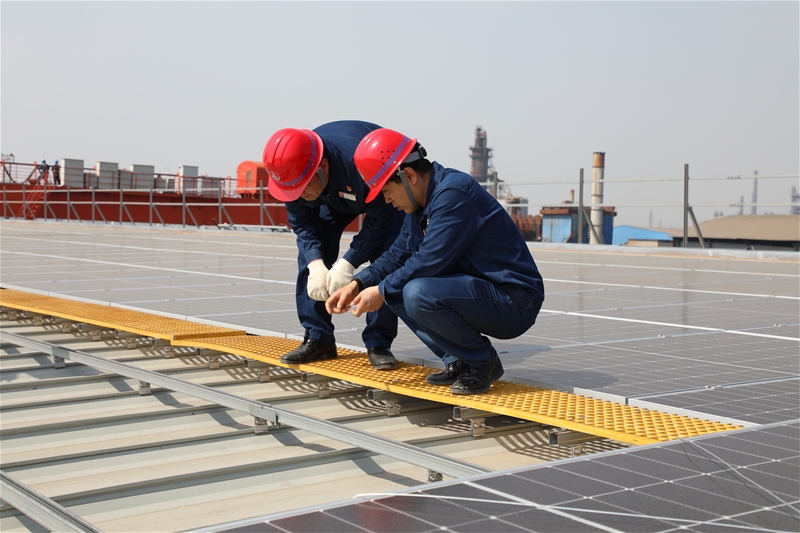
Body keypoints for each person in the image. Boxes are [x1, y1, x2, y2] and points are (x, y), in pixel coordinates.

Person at [326, 128, 545, 395]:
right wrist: (359, 283)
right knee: (397, 288)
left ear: (409, 176)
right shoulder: (420, 206)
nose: (386, 200)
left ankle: (482, 362)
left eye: (386, 190)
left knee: (414, 291)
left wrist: (381, 291)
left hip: (514, 300)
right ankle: (459, 360)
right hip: (482, 292)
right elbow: (398, 255)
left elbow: (430, 260)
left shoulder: (453, 194)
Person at [263, 121, 404, 370]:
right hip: (332, 193)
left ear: (323, 167)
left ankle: (378, 342)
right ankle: (319, 338)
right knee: (310, 256)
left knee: (385, 255)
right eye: (292, 191)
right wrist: (316, 264)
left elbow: (381, 223)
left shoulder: (361, 163)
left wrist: (348, 262)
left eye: (302, 189)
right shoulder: (294, 177)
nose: (297, 195)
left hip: (374, 191)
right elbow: (305, 226)